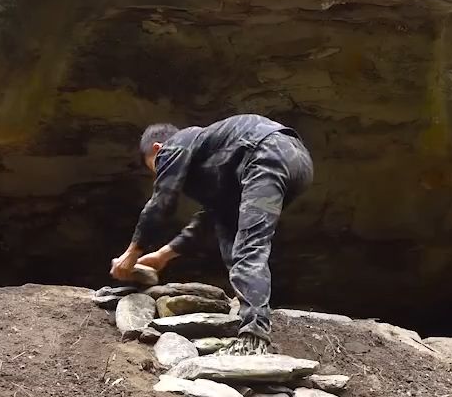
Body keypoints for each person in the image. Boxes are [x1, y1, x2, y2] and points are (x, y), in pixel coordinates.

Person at [110, 114, 314, 356]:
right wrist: (163, 256)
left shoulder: (177, 142)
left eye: (155, 166)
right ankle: (248, 318)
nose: (159, 174)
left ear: (157, 148)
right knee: (231, 229)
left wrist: (132, 253)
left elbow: (161, 203)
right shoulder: (216, 163)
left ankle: (253, 339)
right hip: (296, 163)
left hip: (266, 151)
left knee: (248, 248)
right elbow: (210, 218)